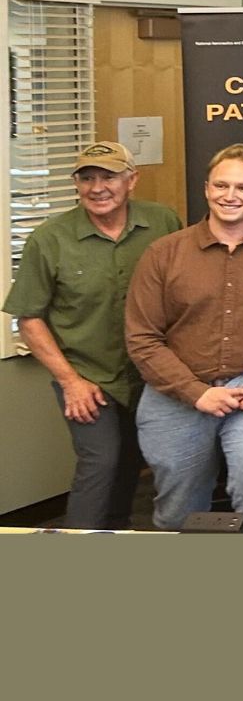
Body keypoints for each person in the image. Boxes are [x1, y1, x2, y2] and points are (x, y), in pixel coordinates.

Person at [123, 145, 243, 533]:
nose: (231, 196)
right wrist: (195, 391)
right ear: (206, 189)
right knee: (179, 501)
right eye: (222, 185)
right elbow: (142, 338)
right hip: (176, 391)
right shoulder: (164, 254)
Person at [3, 142, 182, 529]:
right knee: (101, 462)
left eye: (109, 176)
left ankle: (113, 538)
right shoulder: (50, 239)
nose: (98, 187)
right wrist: (70, 382)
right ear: (77, 184)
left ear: (131, 180)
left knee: (132, 464)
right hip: (88, 376)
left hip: (149, 374)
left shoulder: (163, 222)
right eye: (87, 178)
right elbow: (29, 318)